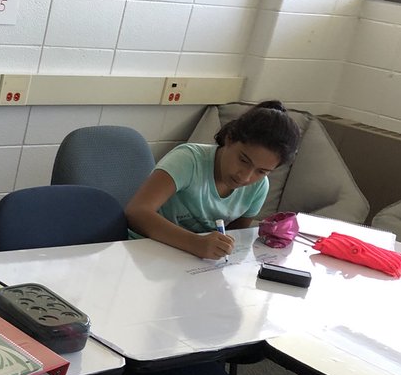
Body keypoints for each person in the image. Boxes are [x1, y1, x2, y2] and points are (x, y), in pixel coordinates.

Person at [125, 100, 302, 260]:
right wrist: (195, 243)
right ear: (229, 138)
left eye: (262, 171)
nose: (245, 176)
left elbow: (236, 237)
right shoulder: (188, 160)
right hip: (143, 251)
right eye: (243, 160)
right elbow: (137, 212)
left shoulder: (258, 187)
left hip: (192, 262)